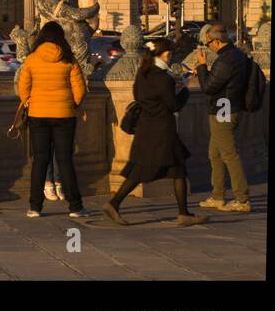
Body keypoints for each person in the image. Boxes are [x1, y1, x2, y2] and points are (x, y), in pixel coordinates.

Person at [104, 39, 207, 227]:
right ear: (166, 54)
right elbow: (174, 105)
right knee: (148, 170)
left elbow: (143, 97)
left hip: (146, 128)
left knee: (172, 169)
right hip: (162, 131)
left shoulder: (143, 74)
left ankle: (183, 213)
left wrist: (178, 85)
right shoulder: (163, 78)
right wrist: (187, 88)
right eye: (171, 53)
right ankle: (114, 203)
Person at [16, 21, 88, 218]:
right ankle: (75, 207)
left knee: (40, 161)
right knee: (65, 160)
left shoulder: (32, 59)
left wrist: (29, 101)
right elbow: (80, 90)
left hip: (38, 115)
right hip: (64, 115)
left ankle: (35, 207)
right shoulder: (68, 59)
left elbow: (23, 88)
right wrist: (72, 104)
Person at [193, 24, 252, 214]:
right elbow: (222, 82)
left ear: (216, 41)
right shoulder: (235, 55)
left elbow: (209, 87)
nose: (208, 47)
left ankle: (242, 199)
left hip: (223, 108)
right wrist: (207, 70)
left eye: (208, 43)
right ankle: (218, 196)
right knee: (215, 153)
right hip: (227, 106)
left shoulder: (226, 60)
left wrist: (202, 67)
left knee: (228, 153)